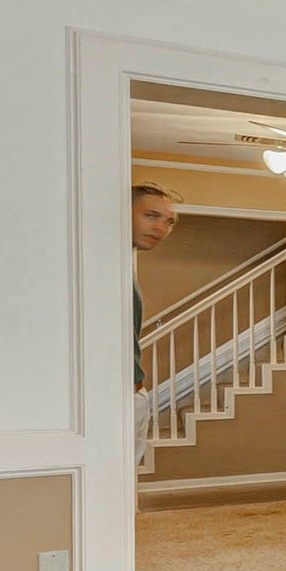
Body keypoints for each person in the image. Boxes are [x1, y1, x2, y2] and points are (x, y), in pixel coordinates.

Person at [132, 182, 181, 446]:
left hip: (131, 394)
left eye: (169, 222)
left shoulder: (121, 267)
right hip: (118, 397)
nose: (161, 228)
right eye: (151, 216)